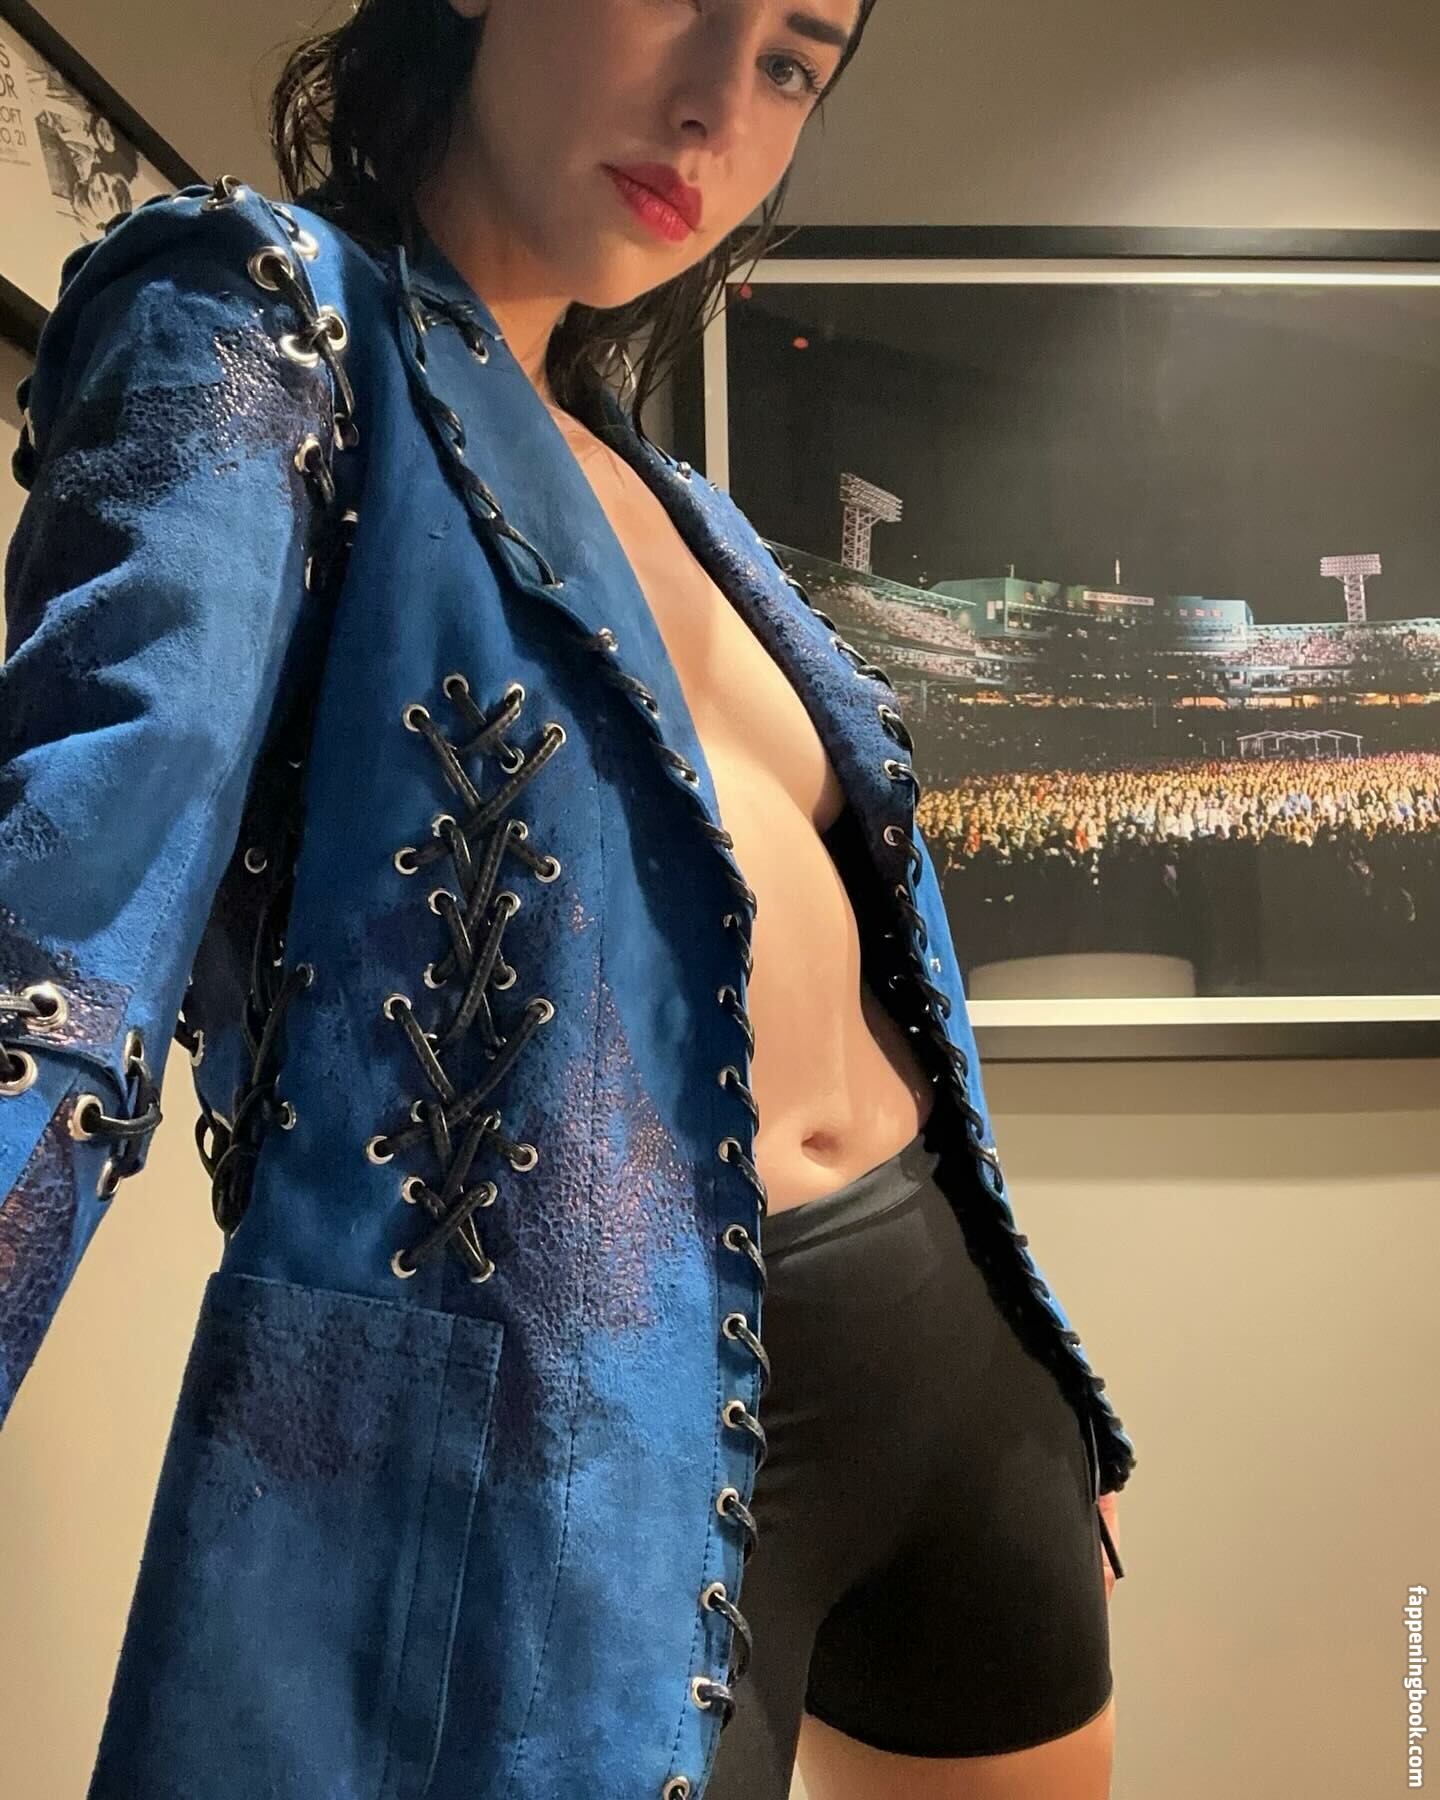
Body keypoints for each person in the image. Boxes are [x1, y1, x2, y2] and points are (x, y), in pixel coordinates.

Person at [0, 2, 1133, 1796]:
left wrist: (1024, 1347)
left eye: (794, 61)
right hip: (562, 1464)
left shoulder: (681, 504)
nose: (715, 108)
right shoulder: (265, 317)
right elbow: (54, 968)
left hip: (963, 1391)